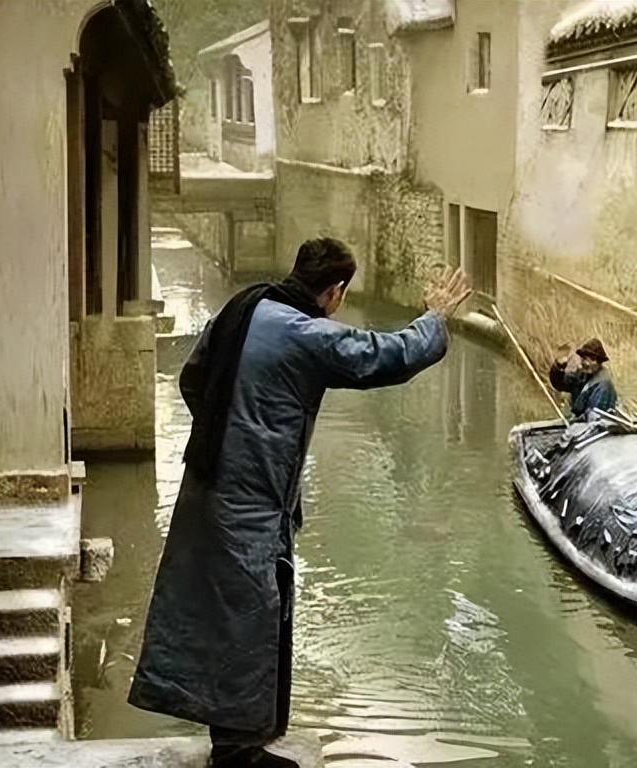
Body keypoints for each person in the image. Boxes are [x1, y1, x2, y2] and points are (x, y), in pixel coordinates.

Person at [127, 239, 472, 768]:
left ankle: (247, 736)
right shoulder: (304, 335)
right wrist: (434, 316)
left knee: (219, 609)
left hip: (212, 484)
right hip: (251, 497)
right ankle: (239, 751)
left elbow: (192, 378)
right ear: (334, 292)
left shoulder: (245, 308)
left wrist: (230, 429)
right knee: (249, 613)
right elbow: (384, 356)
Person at [548, 337, 618, 419]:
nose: (587, 363)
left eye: (592, 360)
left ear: (599, 362)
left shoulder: (603, 385)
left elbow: (596, 417)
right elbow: (560, 384)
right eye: (584, 359)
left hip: (595, 427)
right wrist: (559, 365)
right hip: (582, 424)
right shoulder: (581, 375)